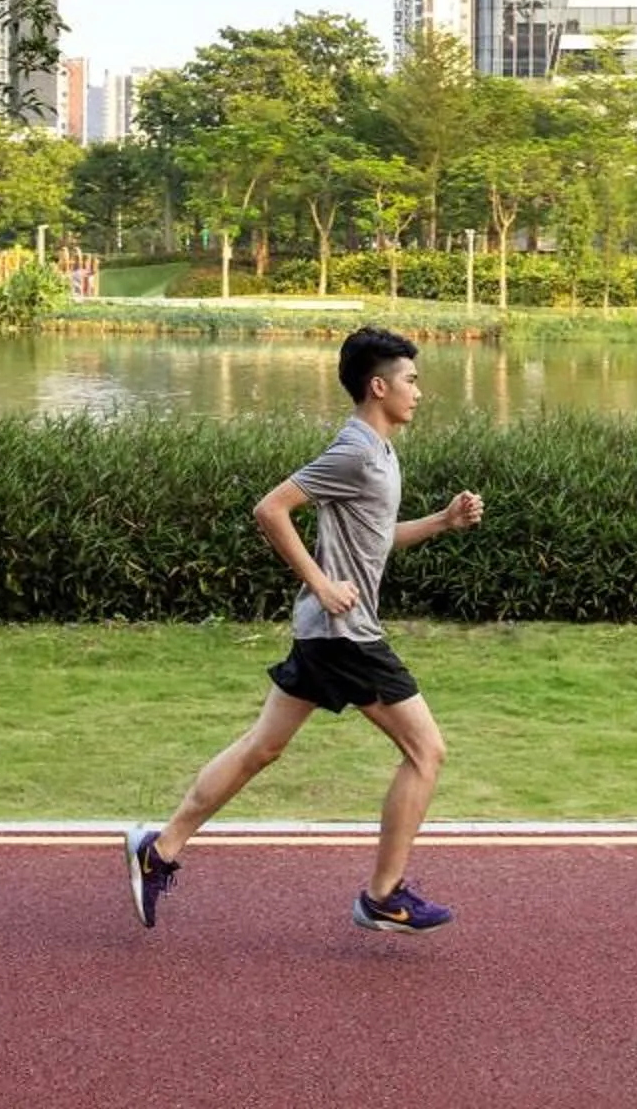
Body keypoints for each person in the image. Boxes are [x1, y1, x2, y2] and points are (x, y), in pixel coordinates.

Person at [125, 324, 484, 935]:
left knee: (262, 747)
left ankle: (159, 851)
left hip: (327, 632)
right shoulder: (354, 451)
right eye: (411, 381)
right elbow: (271, 508)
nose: (419, 392)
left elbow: (376, 539)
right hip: (346, 634)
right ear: (379, 386)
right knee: (427, 752)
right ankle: (383, 895)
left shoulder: (380, 451)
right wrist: (321, 583)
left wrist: (441, 523)